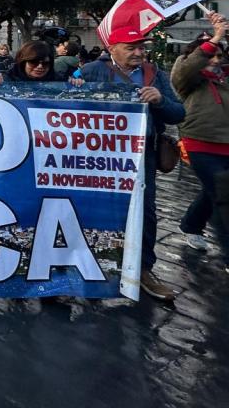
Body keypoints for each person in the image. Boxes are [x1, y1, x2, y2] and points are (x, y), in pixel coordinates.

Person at [81, 27, 185, 301]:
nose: (139, 52)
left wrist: (160, 101)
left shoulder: (155, 74)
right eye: (131, 47)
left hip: (142, 158)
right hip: (98, 158)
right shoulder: (92, 70)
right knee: (94, 207)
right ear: (112, 47)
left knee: (146, 212)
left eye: (142, 47)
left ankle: (144, 269)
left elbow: (178, 113)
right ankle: (91, 263)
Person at [171, 12, 229, 271]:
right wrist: (215, 38)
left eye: (219, 55)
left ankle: (191, 224)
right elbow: (187, 69)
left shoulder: (225, 78)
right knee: (222, 195)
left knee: (214, 190)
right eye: (210, 55)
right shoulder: (187, 76)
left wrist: (223, 31)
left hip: (226, 143)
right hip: (199, 143)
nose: (215, 60)